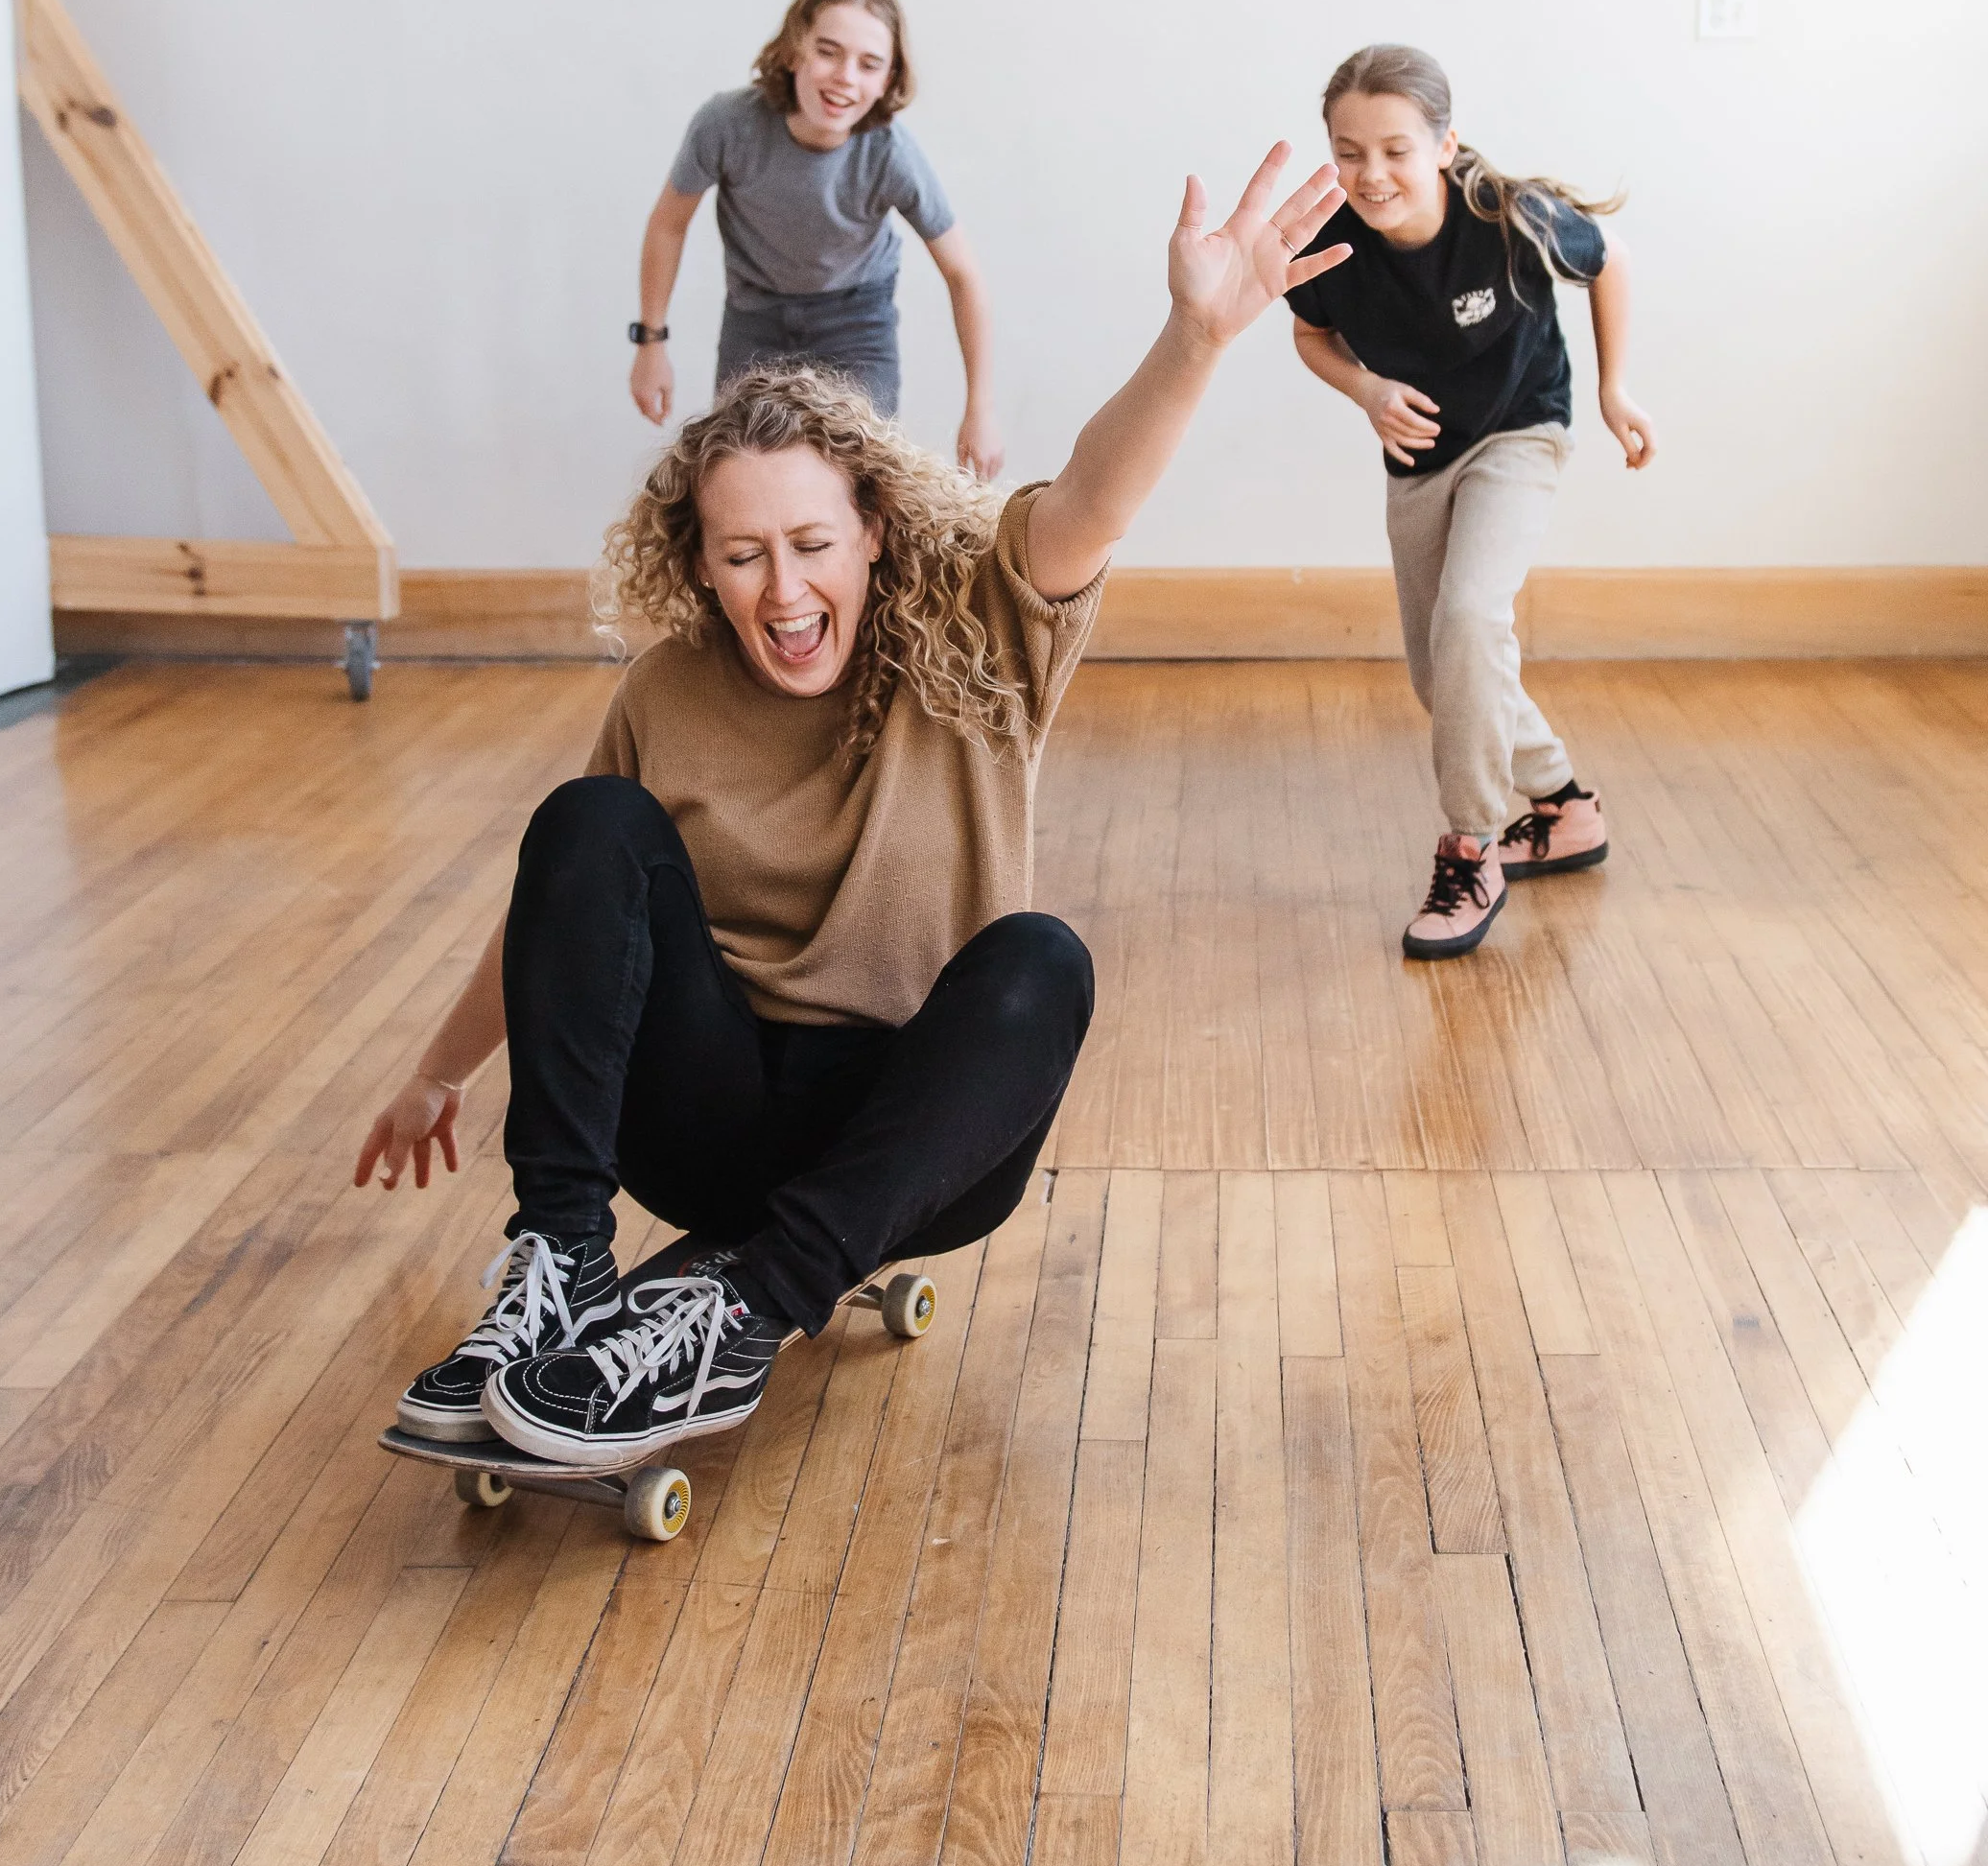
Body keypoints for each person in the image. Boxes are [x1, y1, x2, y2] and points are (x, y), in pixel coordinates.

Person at [355, 143, 1348, 1476]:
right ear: (698, 565)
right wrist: (438, 1073)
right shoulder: (669, 691)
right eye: (744, 555)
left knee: (1039, 960)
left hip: (913, 1135)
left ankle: (744, 1316)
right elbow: (569, 915)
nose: (783, 591)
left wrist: (1193, 338)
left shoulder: (988, 625)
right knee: (585, 826)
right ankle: (556, 1266)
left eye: (812, 546)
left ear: (874, 529)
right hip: (706, 1118)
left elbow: (1098, 493)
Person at [1286, 44, 1656, 961]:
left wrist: (1614, 391)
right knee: (1444, 676)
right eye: (1349, 150)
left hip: (1522, 431)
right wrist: (1367, 392)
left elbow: (1605, 260)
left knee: (1471, 620)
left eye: (1396, 149)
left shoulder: (1510, 219)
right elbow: (1311, 334)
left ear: (1445, 145)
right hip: (1421, 456)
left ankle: (1471, 849)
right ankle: (1568, 810)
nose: (1372, 173)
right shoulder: (1328, 240)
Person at [627, 0, 1005, 478]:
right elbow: (668, 225)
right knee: (741, 475)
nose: (846, 76)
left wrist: (980, 407)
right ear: (792, 52)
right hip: (755, 314)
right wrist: (651, 344)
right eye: (828, 51)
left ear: (889, 80)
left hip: (856, 321)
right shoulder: (728, 125)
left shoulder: (890, 156)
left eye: (869, 64)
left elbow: (963, 274)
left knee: (859, 479)